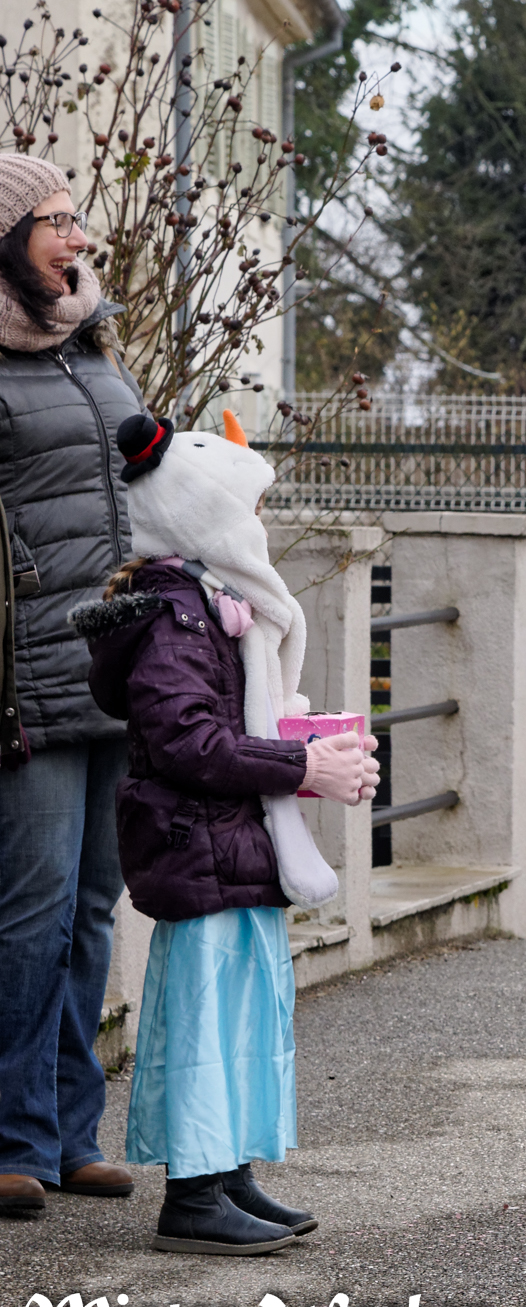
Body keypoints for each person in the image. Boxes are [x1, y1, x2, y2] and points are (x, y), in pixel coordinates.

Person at [73, 411, 378, 1254]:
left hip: (224, 843)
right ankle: (195, 1189)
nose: (262, 530)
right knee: (207, 1015)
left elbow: (217, 726)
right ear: (207, 521)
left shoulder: (211, 604)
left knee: (244, 1010)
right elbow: (186, 742)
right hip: (195, 844)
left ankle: (228, 1169)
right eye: (248, 514)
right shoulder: (176, 613)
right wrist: (301, 768)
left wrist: (305, 742)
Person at [0, 154, 147, 1216]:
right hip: (26, 678)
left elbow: (134, 475)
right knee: (32, 914)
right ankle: (12, 1135)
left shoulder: (88, 334)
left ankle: (69, 1130)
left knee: (95, 907)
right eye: (53, 220)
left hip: (114, 662)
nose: (76, 237)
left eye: (75, 216)